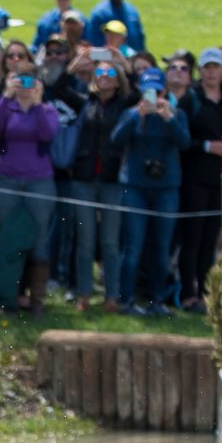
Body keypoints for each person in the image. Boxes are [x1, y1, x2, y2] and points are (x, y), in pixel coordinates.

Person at [113, 66, 189, 315]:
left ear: (164, 91)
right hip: (135, 188)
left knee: (161, 247)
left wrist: (169, 118)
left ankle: (157, 301)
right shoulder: (131, 114)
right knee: (132, 247)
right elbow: (116, 140)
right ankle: (126, 300)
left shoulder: (176, 113)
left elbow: (184, 142)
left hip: (166, 189)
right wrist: (138, 116)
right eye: (148, 91)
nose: (152, 96)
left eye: (157, 91)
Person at [176, 48, 222, 312]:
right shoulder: (190, 100)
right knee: (192, 238)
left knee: (209, 239)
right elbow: (182, 140)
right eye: (207, 67)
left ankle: (206, 293)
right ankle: (187, 294)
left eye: (216, 66)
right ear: (201, 71)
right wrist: (207, 146)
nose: (212, 72)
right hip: (194, 178)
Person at [0, 61, 59, 311]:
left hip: (39, 181)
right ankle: (11, 294)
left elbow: (48, 134)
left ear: (37, 84)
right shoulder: (7, 107)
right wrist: (6, 96)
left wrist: (37, 104)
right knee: (10, 237)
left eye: (28, 81)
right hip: (7, 178)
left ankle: (37, 298)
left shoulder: (47, 109)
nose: (24, 87)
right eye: (20, 81)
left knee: (39, 237)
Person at [67, 58, 130, 310]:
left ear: (118, 78)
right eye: (100, 71)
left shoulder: (126, 104)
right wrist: (78, 63)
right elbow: (60, 86)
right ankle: (84, 293)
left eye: (110, 72)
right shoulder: (86, 102)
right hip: (84, 180)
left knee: (110, 242)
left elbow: (136, 88)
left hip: (112, 181)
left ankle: (112, 295)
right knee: (85, 239)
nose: (104, 75)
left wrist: (121, 60)